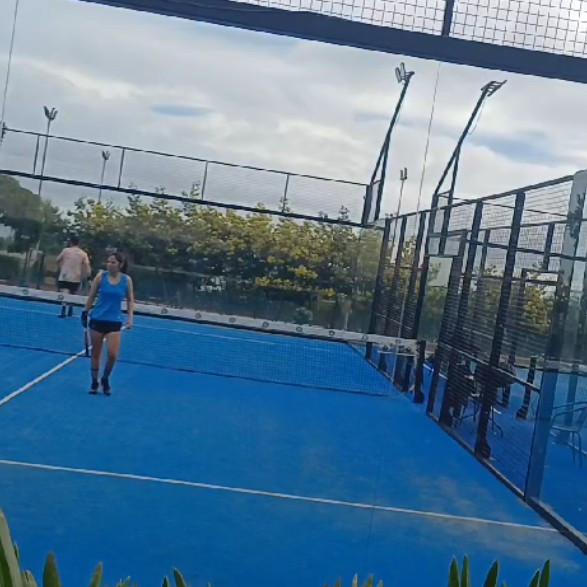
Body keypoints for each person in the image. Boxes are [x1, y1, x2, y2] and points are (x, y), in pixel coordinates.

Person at [82, 252, 134, 395]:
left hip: (114, 321)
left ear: (120, 265)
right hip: (97, 319)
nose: (109, 264)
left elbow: (130, 299)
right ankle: (94, 381)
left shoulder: (126, 280)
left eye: (113, 262)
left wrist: (130, 318)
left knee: (112, 355)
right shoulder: (101, 277)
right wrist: (85, 311)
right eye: (108, 262)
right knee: (96, 353)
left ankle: (105, 378)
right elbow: (92, 296)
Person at [56, 235, 91, 318]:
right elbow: (87, 266)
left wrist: (61, 268)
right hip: (76, 278)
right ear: (79, 243)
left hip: (64, 276)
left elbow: (57, 260)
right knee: (73, 294)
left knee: (64, 293)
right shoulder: (83, 254)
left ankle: (64, 309)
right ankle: (70, 310)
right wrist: (88, 276)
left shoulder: (65, 251)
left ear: (71, 242)